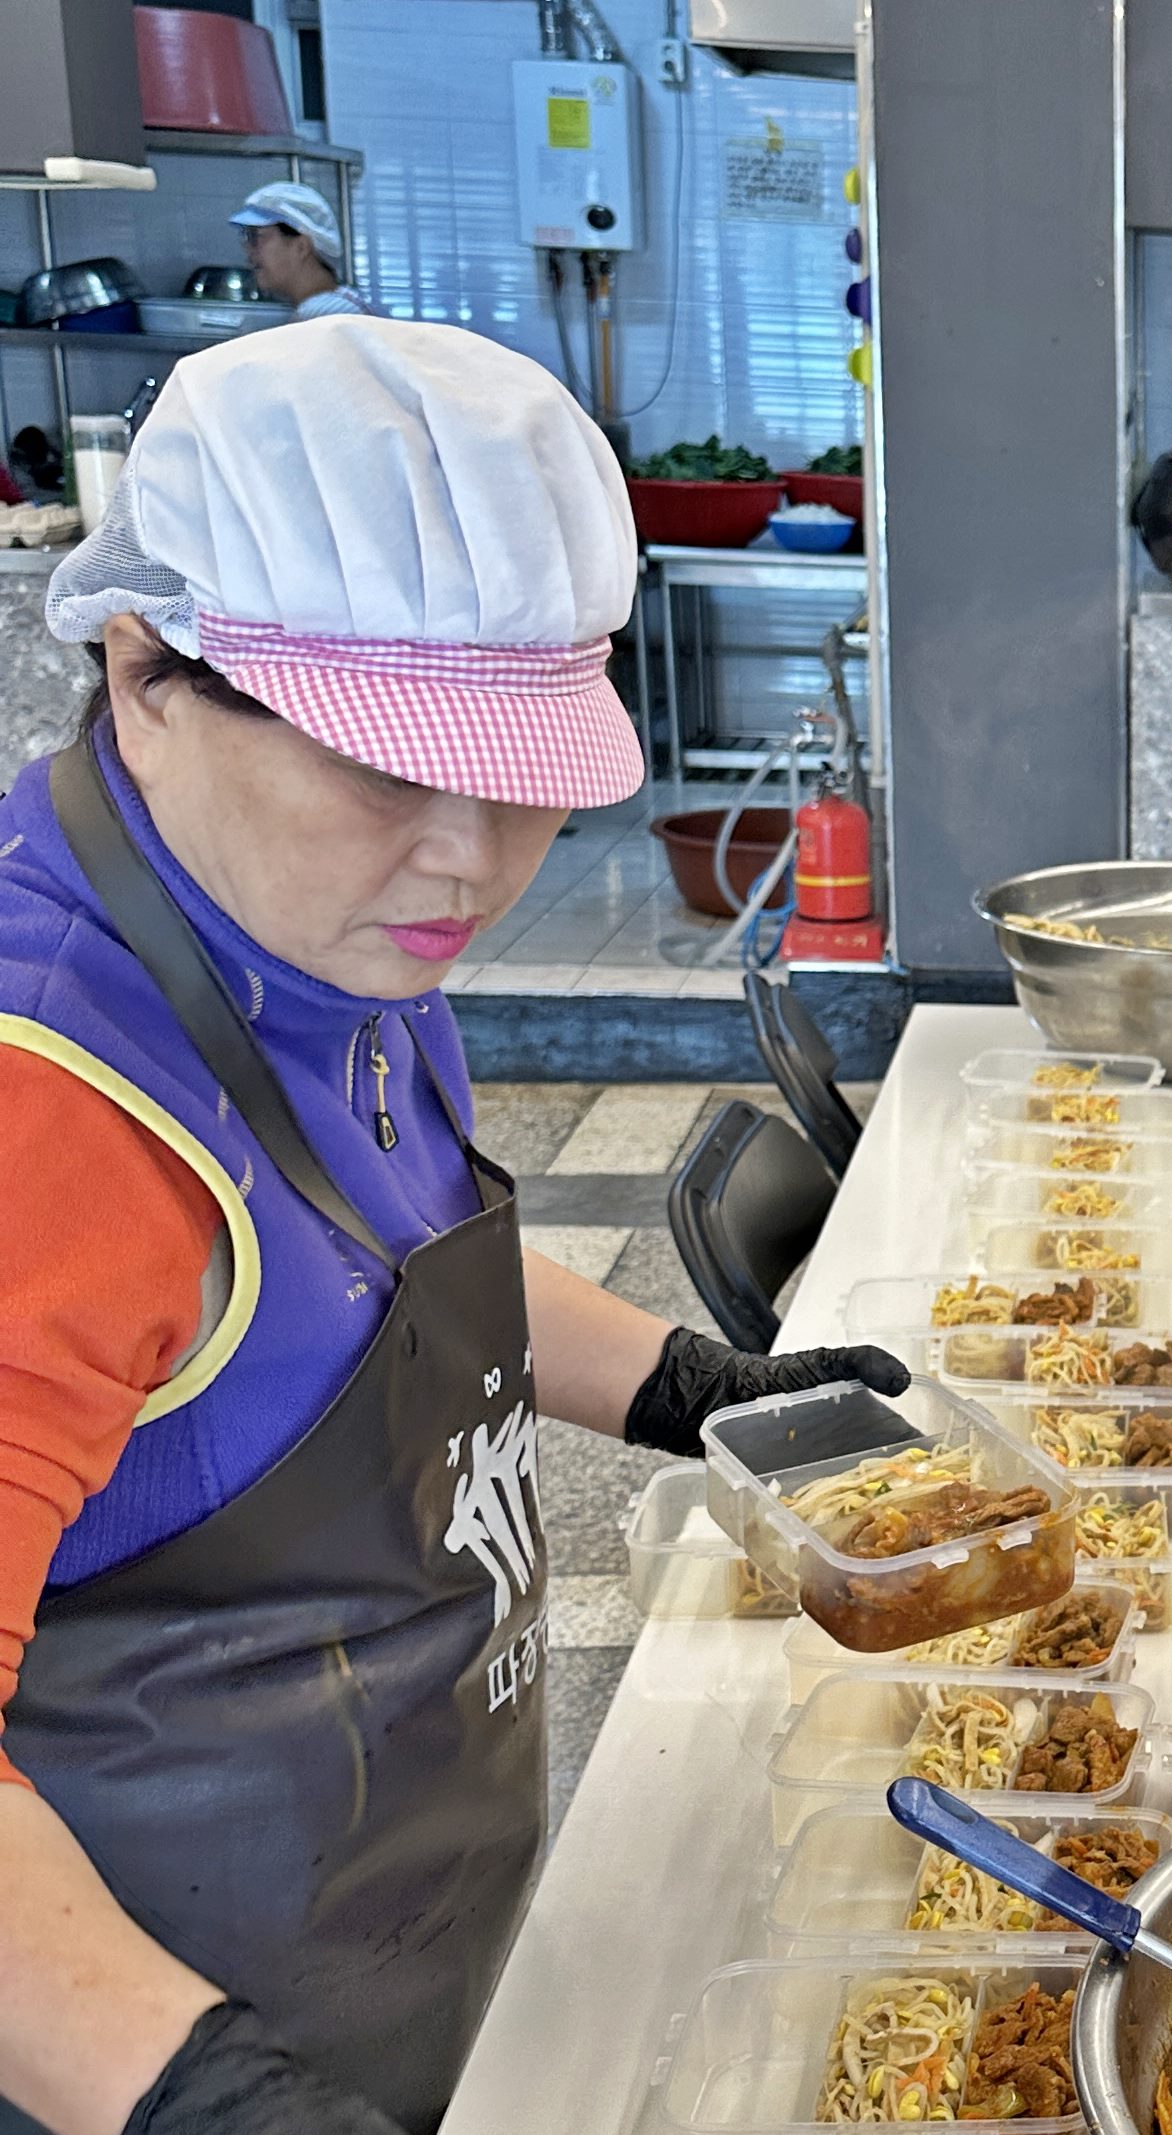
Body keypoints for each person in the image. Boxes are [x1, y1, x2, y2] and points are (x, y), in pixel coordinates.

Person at [0, 317, 903, 2135]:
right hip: (152, 2032)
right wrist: (205, 2103)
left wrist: (698, 1387)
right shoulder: (52, 1111)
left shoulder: (306, 926)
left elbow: (382, 1279)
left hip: (399, 1927)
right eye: (387, 769)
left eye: (517, 775)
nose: (473, 865)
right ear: (144, 667)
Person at [229, 180, 372, 319]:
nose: (247, 248)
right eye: (246, 237)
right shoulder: (335, 306)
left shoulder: (325, 314)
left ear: (301, 247)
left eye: (255, 237)